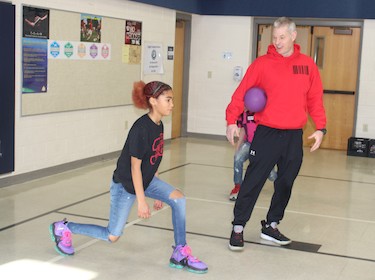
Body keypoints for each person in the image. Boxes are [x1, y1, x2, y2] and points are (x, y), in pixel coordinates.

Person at [49, 81, 208, 274]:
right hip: (126, 185)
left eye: (172, 100)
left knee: (178, 199)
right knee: (112, 235)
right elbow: (135, 167)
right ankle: (64, 228)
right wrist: (141, 201)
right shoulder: (141, 128)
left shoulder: (158, 124)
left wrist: (157, 193)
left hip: (144, 181)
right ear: (153, 101)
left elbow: (153, 159)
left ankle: (180, 252)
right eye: (168, 100)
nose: (172, 104)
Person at [226, 17, 327, 251]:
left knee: (285, 183)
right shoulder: (262, 64)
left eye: (282, 37)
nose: (278, 42)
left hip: (293, 136)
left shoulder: (306, 65)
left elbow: (314, 99)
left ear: (293, 36)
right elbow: (241, 93)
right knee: (253, 181)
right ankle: (238, 227)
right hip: (267, 134)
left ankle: (271, 225)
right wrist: (231, 120)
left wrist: (321, 127)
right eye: (274, 37)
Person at [229, 110, 278, 201]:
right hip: (249, 143)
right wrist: (238, 146)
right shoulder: (243, 114)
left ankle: (280, 183)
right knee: (237, 158)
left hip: (264, 145)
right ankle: (238, 186)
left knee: (271, 175)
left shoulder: (264, 112)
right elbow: (243, 129)